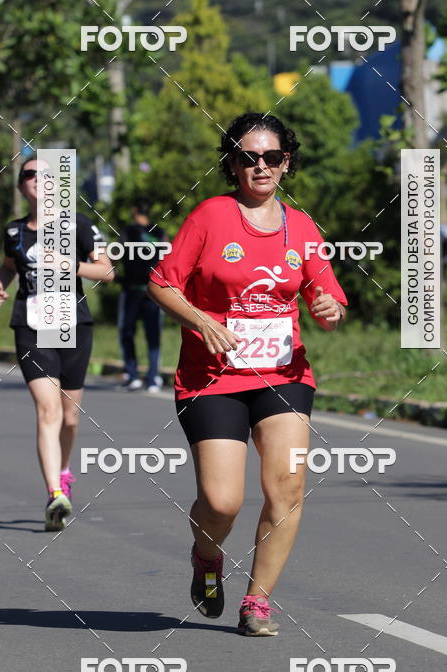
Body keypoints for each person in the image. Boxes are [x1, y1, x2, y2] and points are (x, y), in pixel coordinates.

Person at [147, 112, 347, 637]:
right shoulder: (211, 216)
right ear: (233, 164)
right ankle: (207, 557)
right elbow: (162, 283)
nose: (261, 166)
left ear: (287, 163)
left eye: (272, 157)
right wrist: (202, 321)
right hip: (212, 377)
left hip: (284, 374)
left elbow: (328, 297)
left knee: (287, 487)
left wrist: (328, 309)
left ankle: (257, 601)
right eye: (248, 157)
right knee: (222, 502)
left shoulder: (302, 227)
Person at [0, 157, 115, 531]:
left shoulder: (77, 224)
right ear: (21, 186)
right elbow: (9, 265)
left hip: (72, 325)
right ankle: (54, 494)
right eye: (30, 174)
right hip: (30, 325)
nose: (38, 179)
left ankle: (63, 470)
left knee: (69, 417)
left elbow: (107, 271)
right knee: (48, 410)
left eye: (45, 174)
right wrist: (0, 286)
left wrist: (66, 264)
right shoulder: (14, 231)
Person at [117, 197, 167, 392]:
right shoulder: (159, 232)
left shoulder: (127, 231)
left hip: (132, 290)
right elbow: (167, 258)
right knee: (153, 335)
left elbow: (116, 255)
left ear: (134, 210)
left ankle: (132, 375)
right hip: (154, 291)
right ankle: (153, 378)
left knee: (127, 332)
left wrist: (117, 276)